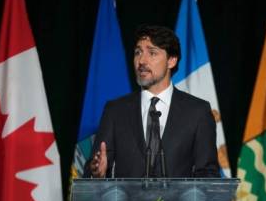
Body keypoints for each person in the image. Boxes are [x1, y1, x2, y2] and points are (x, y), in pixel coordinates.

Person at [83, 24, 220, 179]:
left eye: (152, 53)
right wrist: (97, 172)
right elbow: (92, 169)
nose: (141, 60)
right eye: (138, 52)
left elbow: (209, 174)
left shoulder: (198, 111)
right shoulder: (115, 110)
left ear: (171, 61)